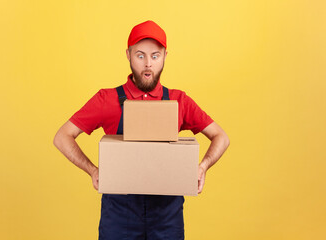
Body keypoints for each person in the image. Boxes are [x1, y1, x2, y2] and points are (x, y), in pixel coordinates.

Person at [54, 20, 230, 240]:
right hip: (120, 216)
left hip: (167, 217)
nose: (148, 64)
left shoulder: (179, 101)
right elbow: (62, 137)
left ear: (165, 56)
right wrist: (93, 170)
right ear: (128, 55)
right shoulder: (106, 99)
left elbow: (221, 137)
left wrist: (203, 167)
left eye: (155, 56)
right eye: (140, 55)